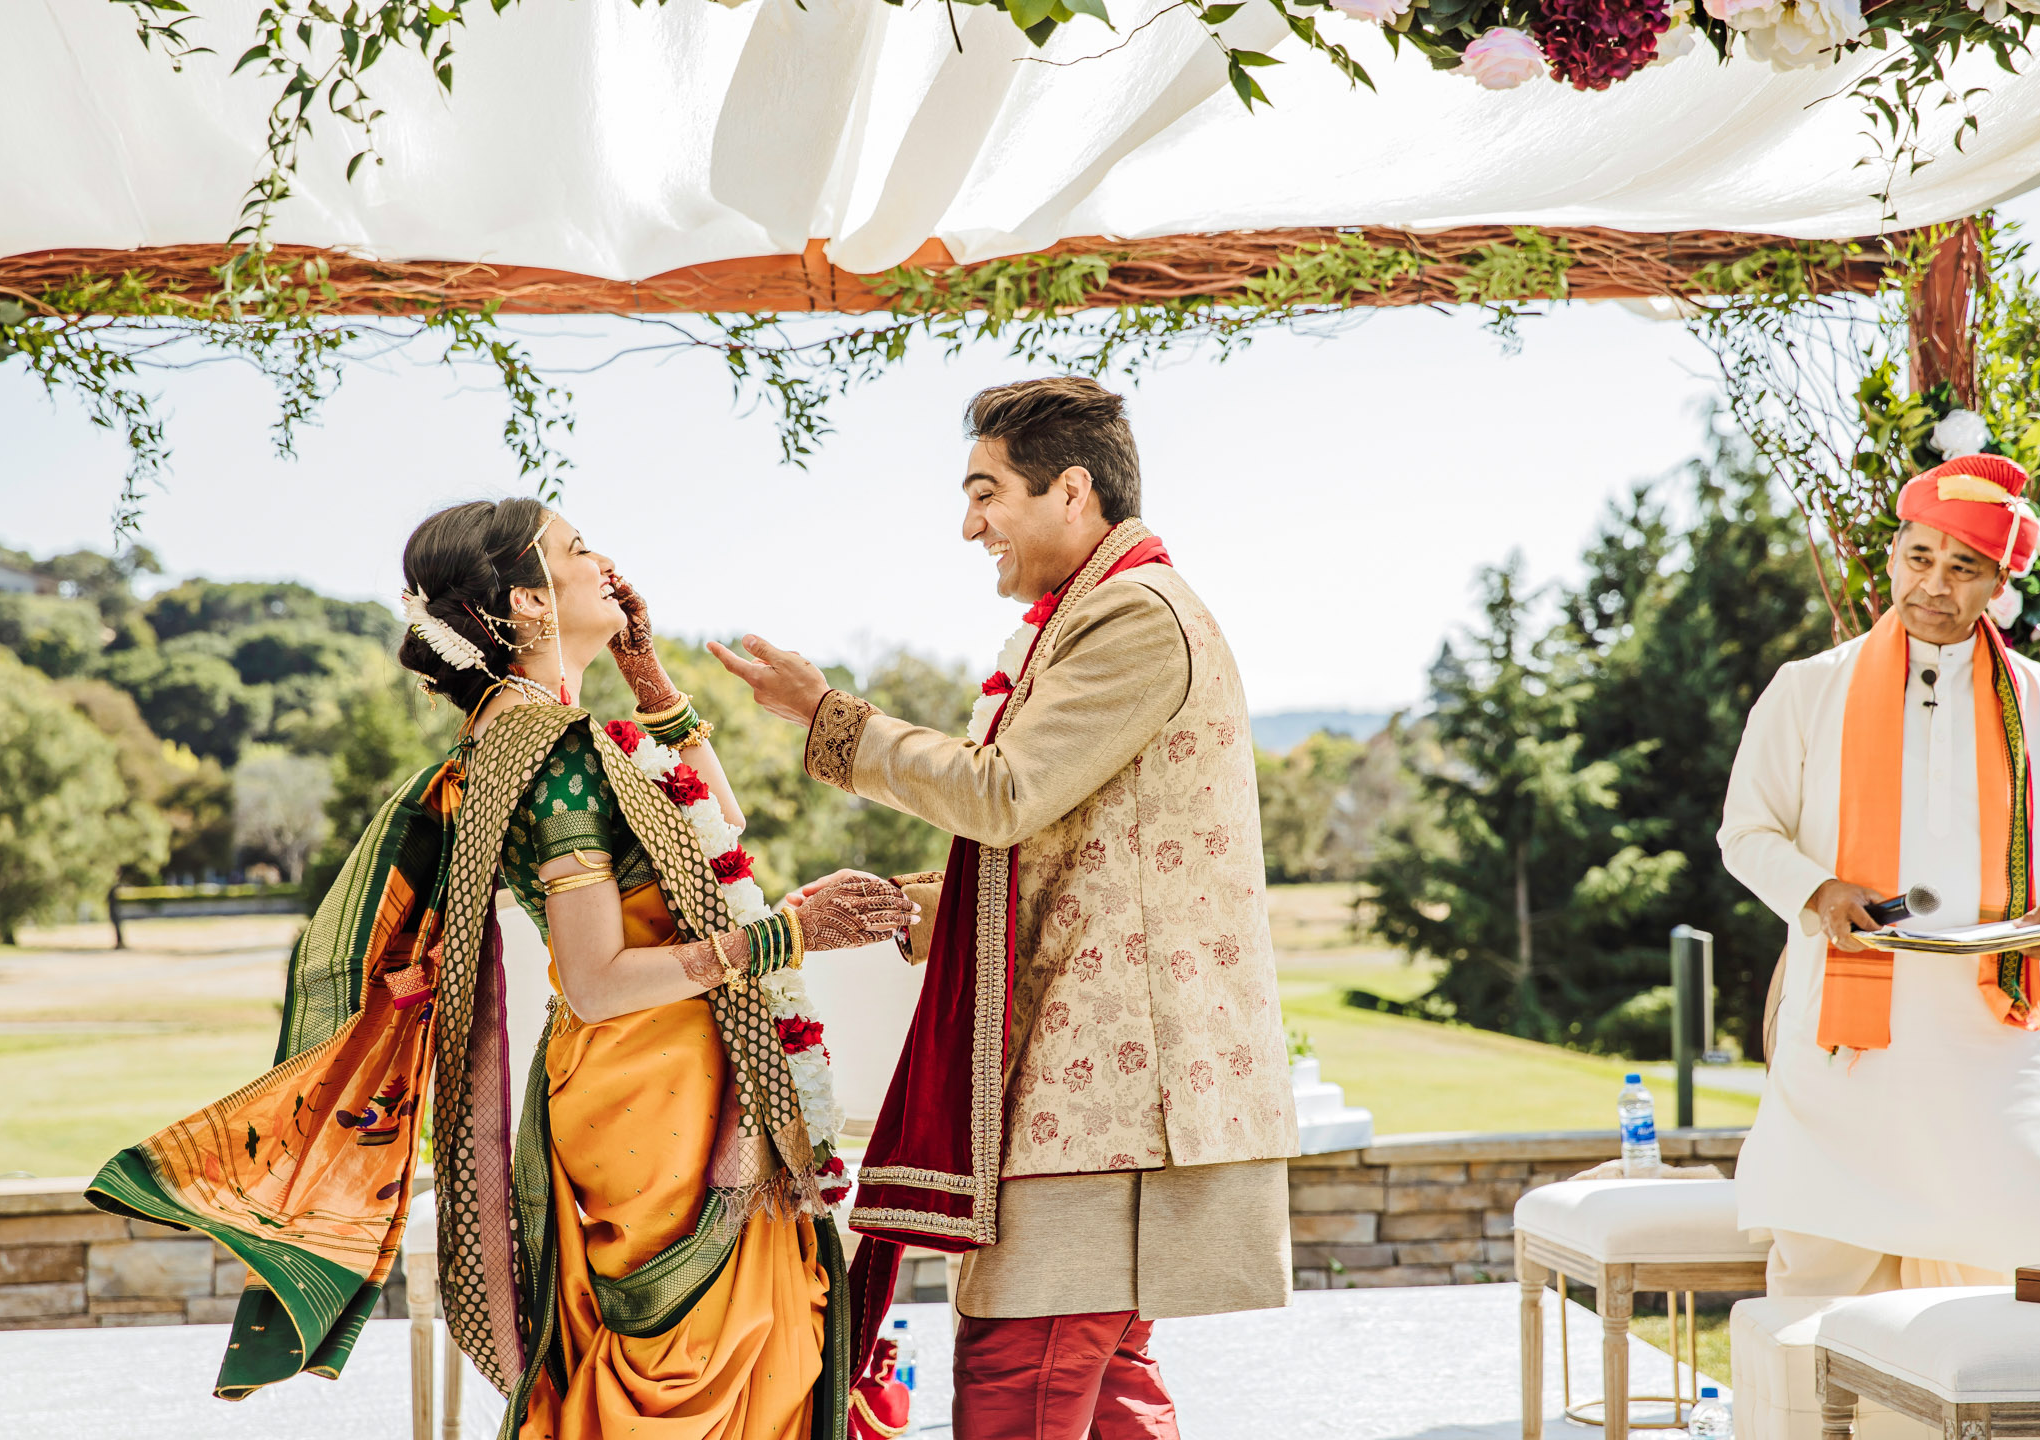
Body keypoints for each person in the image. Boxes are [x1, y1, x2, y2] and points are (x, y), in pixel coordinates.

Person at [87, 498, 916, 1440]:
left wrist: (653, 683)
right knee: (694, 1378)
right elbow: (598, 979)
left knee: (744, 1361)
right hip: (655, 1103)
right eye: (576, 548)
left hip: (668, 1084)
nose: (606, 558)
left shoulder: (555, 736)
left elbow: (720, 843)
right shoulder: (556, 753)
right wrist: (787, 936)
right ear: (528, 602)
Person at [713, 377, 1299, 1440]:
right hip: (1094, 1097)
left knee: (1014, 1391)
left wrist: (829, 718)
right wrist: (908, 905)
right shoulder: (1093, 614)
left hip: (1108, 1103)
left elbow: (1006, 793)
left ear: (1071, 490)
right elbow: (1067, 855)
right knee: (1107, 1393)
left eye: (986, 492)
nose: (969, 523)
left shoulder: (1134, 617)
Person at [1720, 451, 2040, 1305]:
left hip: (1993, 1036)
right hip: (1850, 1044)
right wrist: (1819, 891)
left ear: (1998, 585)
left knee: (2018, 1275)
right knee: (1822, 1285)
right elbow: (1746, 831)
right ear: (1894, 558)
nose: (1934, 586)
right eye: (1919, 559)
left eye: (1962, 567)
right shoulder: (1807, 689)